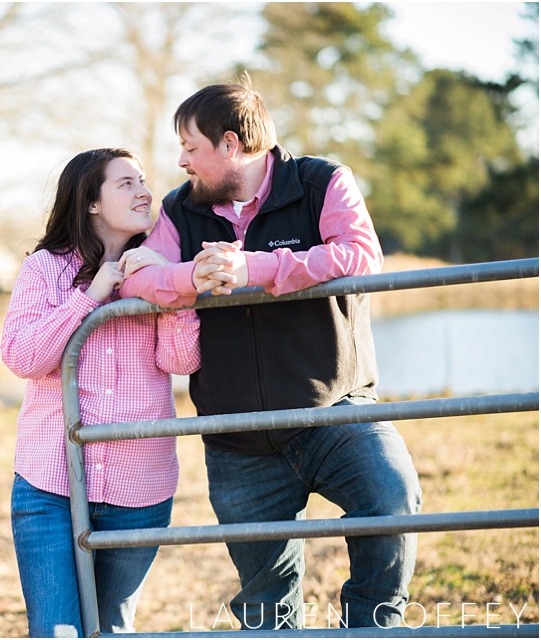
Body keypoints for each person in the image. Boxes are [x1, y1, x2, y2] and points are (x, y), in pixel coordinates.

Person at [118, 79, 423, 630]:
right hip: (237, 439)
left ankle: (373, 627)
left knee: (391, 498)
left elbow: (360, 255)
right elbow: (136, 280)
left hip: (334, 410)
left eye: (190, 147)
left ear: (230, 144)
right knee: (266, 606)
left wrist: (254, 270)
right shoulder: (177, 211)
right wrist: (195, 275)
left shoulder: (323, 182)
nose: (181, 160)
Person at [1, 148, 201, 637]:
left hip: (139, 487)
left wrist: (172, 290)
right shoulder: (44, 269)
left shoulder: (157, 269)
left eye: (143, 181)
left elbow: (181, 361)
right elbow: (24, 358)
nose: (144, 191)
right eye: (126, 183)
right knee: (58, 631)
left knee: (111, 627)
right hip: (50, 485)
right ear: (91, 201)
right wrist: (90, 297)